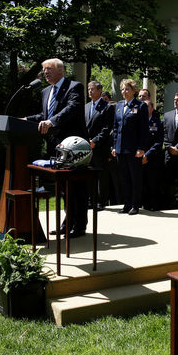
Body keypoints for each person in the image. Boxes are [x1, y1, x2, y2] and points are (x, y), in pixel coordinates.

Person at [25, 58, 88, 237]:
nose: (45, 73)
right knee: (62, 187)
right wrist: (26, 120)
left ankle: (79, 225)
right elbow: (44, 115)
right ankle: (68, 221)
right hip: (55, 145)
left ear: (60, 70)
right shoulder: (46, 91)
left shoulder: (74, 87)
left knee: (76, 186)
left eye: (49, 69)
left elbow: (71, 108)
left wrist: (50, 122)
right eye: (44, 70)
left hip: (73, 146)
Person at [111, 78, 147, 215]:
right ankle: (126, 204)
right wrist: (114, 146)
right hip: (120, 148)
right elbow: (115, 127)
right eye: (122, 89)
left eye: (127, 89)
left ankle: (135, 205)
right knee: (123, 178)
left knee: (135, 178)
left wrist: (141, 148)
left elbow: (144, 129)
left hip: (134, 150)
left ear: (134, 91)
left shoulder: (140, 106)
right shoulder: (119, 106)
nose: (124, 92)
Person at [84, 81, 114, 210]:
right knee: (88, 175)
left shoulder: (107, 107)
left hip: (100, 147)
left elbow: (107, 128)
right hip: (85, 147)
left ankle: (101, 202)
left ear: (100, 90)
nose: (90, 91)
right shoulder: (85, 107)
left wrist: (95, 141)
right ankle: (91, 200)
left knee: (101, 176)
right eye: (89, 89)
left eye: (92, 89)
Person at [139, 89, 164, 211]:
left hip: (152, 159)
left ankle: (153, 206)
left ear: (152, 109)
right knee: (141, 184)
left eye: (147, 106)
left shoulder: (157, 122)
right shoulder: (137, 122)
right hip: (139, 157)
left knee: (152, 183)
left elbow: (158, 142)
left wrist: (147, 155)